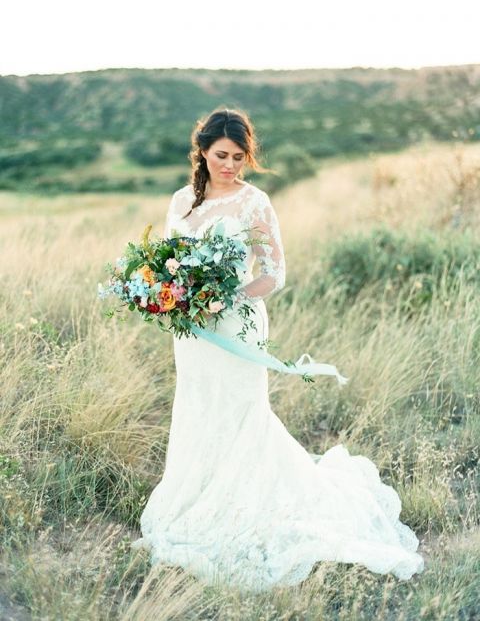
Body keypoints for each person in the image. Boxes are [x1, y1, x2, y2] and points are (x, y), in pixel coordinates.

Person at [131, 107, 425, 592]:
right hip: (192, 332)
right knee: (199, 409)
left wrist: (228, 296)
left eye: (239, 157)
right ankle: (197, 497)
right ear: (202, 151)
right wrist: (172, 295)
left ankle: (245, 505)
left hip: (238, 324)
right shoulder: (182, 200)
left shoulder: (255, 203)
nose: (230, 165)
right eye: (221, 155)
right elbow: (169, 262)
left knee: (242, 412)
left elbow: (273, 273)